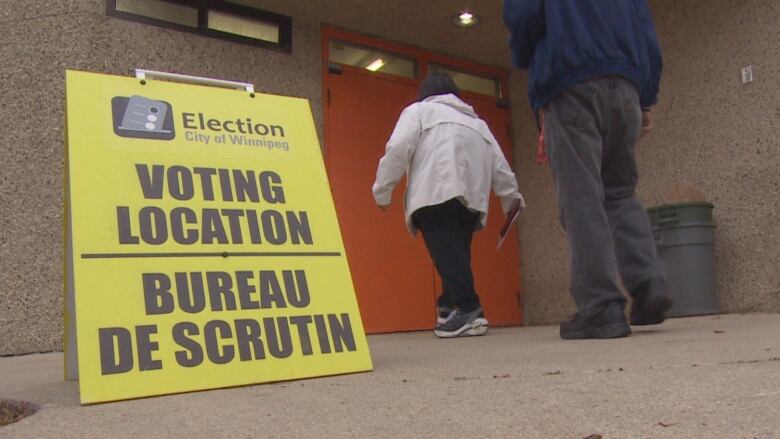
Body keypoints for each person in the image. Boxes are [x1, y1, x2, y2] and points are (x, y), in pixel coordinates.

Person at [503, 0, 673, 339]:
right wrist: (646, 98)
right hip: (625, 87)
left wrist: (526, 57)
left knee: (581, 195)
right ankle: (648, 282)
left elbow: (522, 15)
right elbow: (646, 35)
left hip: (570, 80)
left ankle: (600, 306)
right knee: (621, 192)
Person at [372, 73, 525, 338]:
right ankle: (447, 309)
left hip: (435, 191)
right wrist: (510, 199)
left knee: (446, 251)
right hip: (471, 200)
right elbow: (500, 164)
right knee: (456, 253)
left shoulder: (419, 111)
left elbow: (397, 147)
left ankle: (469, 309)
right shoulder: (478, 123)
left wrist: (382, 191)